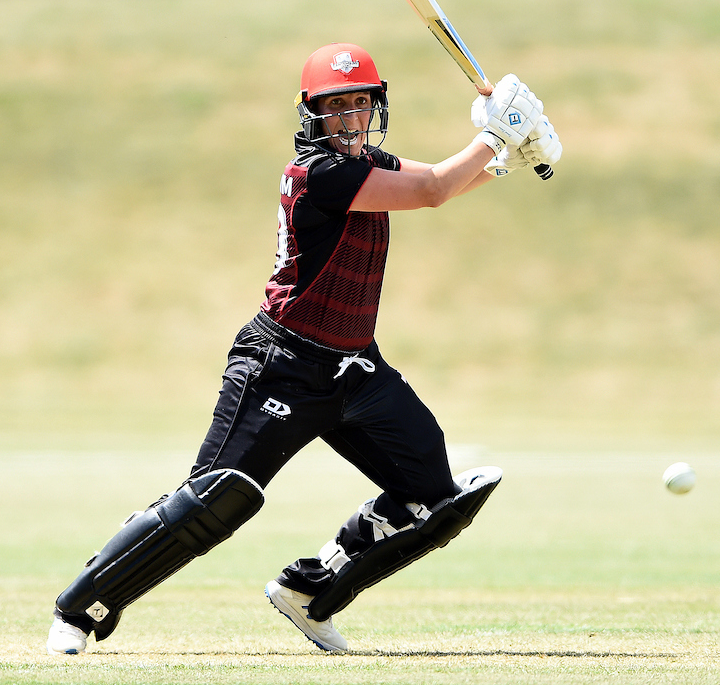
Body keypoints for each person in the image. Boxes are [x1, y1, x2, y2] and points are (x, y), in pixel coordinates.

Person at [46, 42, 562, 654]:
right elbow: (429, 189)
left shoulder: (366, 164)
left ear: (375, 107)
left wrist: (507, 157)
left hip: (355, 371)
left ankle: (310, 593)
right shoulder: (320, 174)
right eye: (334, 106)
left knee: (436, 496)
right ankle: (78, 610)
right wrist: (498, 134)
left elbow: (443, 184)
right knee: (217, 499)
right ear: (311, 112)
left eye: (358, 103)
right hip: (281, 364)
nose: (347, 117)